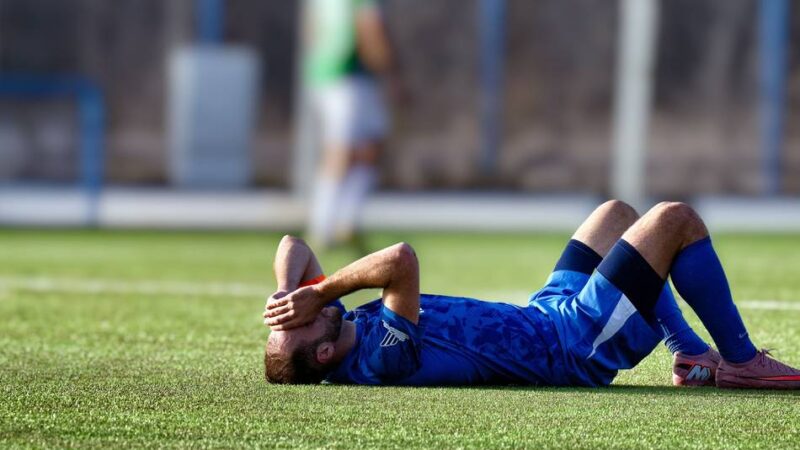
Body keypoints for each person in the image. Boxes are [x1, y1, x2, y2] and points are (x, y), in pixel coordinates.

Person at [263, 200, 800, 388]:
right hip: (570, 347)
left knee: (616, 213)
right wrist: (323, 290)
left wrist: (290, 290)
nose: (299, 311)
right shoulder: (381, 358)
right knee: (674, 219)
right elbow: (401, 260)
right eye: (296, 323)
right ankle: (740, 362)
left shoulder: (338, 323)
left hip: (547, 313)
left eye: (285, 315)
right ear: (324, 353)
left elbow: (294, 244)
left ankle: (687, 353)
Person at [303, 0, 404, 249]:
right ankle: (322, 227)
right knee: (340, 150)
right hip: (348, 75)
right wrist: (392, 75)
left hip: (330, 73)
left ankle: (346, 223)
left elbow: (312, 28)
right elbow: (370, 28)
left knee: (370, 146)